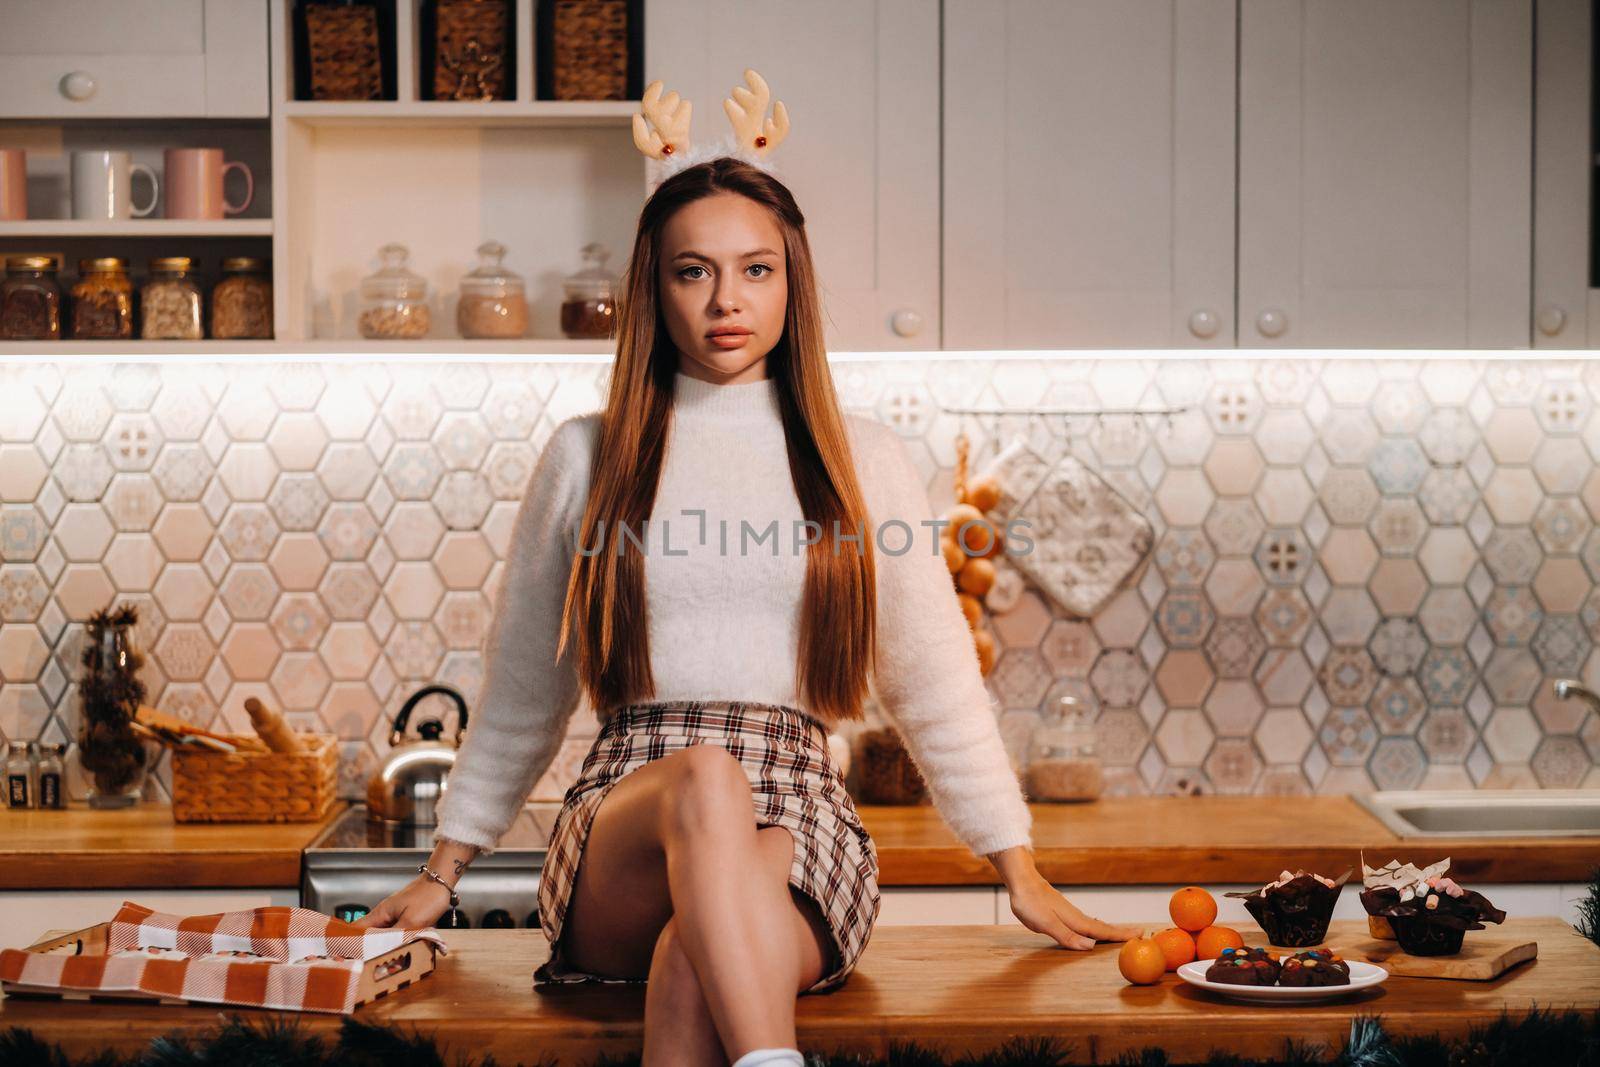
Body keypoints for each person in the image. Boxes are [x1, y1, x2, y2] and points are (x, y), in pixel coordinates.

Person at [356, 69, 1140, 1067]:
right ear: (655, 287)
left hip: (804, 822)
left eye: (755, 269)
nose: (726, 299)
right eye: (692, 271)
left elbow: (933, 680)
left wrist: (1017, 867)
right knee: (706, 777)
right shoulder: (586, 456)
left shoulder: (864, 459)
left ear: (791, 281)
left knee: (700, 948)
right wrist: (446, 864)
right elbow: (522, 688)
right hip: (627, 828)